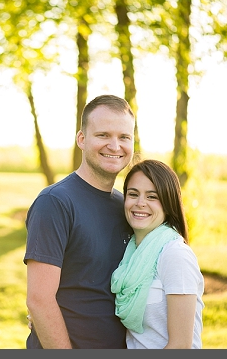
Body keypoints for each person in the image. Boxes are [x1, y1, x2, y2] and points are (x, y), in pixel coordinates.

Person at [24, 94, 135, 349]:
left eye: (124, 137)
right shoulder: (55, 202)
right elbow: (39, 300)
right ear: (81, 140)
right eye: (103, 135)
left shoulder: (127, 207)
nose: (115, 145)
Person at [110, 159, 204, 349]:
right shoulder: (132, 255)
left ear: (168, 203)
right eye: (133, 194)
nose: (140, 203)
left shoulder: (176, 256)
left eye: (152, 197)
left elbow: (180, 346)